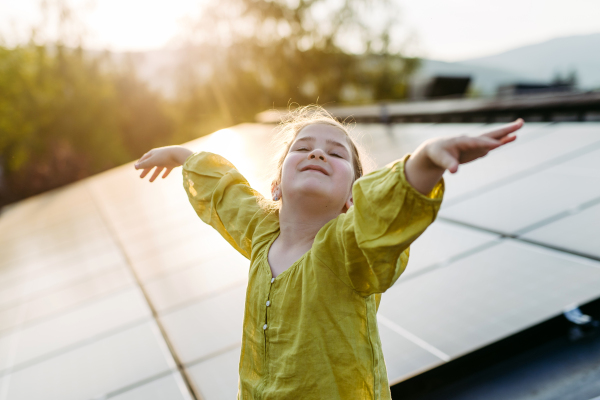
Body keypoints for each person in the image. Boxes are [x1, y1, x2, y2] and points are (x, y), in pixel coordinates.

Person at [134, 106, 523, 399]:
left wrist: (423, 161)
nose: (318, 154)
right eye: (303, 148)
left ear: (352, 198)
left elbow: (383, 213)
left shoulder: (347, 248)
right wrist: (183, 156)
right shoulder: (261, 231)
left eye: (336, 155)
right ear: (276, 187)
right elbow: (227, 193)